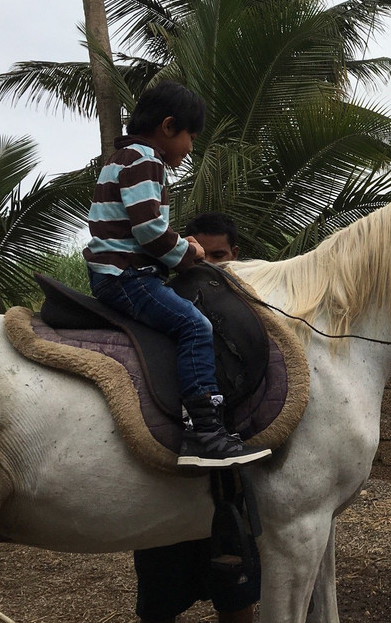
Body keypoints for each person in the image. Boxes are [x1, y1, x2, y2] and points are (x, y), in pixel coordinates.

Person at [83, 80, 270, 469]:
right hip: (128, 276)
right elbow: (149, 231)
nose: (190, 148)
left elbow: (137, 226)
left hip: (115, 271)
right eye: (191, 137)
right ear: (168, 127)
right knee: (194, 326)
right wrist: (189, 254)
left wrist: (180, 244)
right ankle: (205, 432)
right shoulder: (146, 161)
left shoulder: (120, 159)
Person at [132, 212, 260, 623]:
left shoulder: (254, 320)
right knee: (158, 602)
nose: (207, 265)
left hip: (228, 496)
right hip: (166, 491)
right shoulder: (159, 312)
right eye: (199, 255)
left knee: (237, 601)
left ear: (235, 254)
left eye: (218, 256)